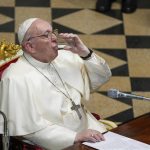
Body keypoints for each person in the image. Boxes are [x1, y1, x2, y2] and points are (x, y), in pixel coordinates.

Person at [0, 18, 111, 150]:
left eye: (53, 32)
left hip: (89, 127)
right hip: (56, 142)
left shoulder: (66, 57)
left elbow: (102, 78)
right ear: (30, 46)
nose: (54, 37)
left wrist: (85, 54)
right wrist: (75, 137)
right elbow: (29, 130)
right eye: (46, 35)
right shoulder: (14, 78)